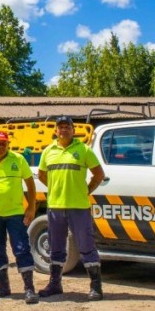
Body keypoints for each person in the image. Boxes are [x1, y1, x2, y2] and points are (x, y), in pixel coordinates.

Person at [37, 116, 106, 300]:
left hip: (79, 207)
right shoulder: (48, 151)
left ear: (73, 130)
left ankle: (96, 286)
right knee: (56, 248)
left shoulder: (84, 150)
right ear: (55, 131)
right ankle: (55, 284)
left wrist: (86, 191)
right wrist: (54, 188)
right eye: (60, 127)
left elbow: (99, 174)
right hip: (55, 207)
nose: (64, 130)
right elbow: (42, 175)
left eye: (67, 127)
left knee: (86, 246)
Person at [0, 130, 39, 304]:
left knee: (21, 249)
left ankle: (29, 289)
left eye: (3, 143)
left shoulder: (18, 160)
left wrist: (31, 208)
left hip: (15, 213)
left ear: (8, 145)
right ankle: (3, 286)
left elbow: (30, 183)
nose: (0, 146)